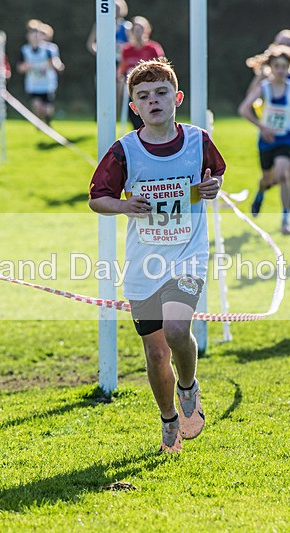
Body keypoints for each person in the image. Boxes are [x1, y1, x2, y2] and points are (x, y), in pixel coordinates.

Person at [88, 58, 226, 453]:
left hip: (188, 255)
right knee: (155, 351)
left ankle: (188, 387)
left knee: (178, 330)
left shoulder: (198, 141)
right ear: (133, 107)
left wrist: (212, 187)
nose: (153, 102)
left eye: (161, 93)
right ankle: (168, 418)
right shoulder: (124, 151)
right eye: (143, 97)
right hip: (144, 264)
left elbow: (214, 176)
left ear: (177, 98)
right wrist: (125, 207)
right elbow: (97, 199)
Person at [239, 48, 290, 235]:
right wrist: (262, 127)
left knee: (283, 175)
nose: (280, 70)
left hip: (284, 139)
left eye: (284, 66)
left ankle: (285, 218)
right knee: (268, 179)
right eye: (277, 66)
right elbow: (244, 109)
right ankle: (260, 193)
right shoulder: (264, 88)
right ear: (270, 68)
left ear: (289, 68)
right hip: (267, 140)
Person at [86, 0, 132, 119]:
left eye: (118, 8)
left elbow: (131, 45)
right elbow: (91, 44)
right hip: (104, 62)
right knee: (102, 88)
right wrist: (101, 53)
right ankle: (101, 115)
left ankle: (115, 116)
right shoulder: (100, 24)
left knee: (119, 90)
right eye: (113, 8)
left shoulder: (126, 27)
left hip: (120, 62)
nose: (115, 11)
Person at [118, 16, 165, 130]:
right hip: (133, 90)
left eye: (141, 30)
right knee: (133, 114)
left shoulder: (153, 48)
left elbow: (161, 68)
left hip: (151, 89)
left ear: (146, 31)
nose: (138, 33)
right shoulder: (126, 50)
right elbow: (122, 67)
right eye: (136, 30)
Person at [17, 19, 64, 125]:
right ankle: (40, 124)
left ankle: (47, 120)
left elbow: (57, 63)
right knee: (37, 107)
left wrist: (56, 65)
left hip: (47, 85)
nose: (35, 36)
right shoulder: (25, 50)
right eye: (32, 33)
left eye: (37, 33)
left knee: (47, 110)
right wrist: (25, 67)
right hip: (33, 85)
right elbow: (20, 67)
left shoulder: (49, 50)